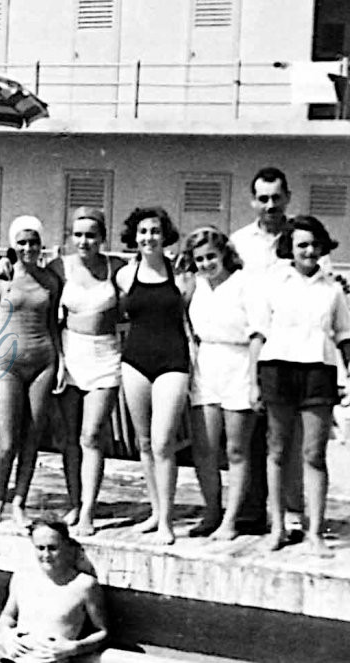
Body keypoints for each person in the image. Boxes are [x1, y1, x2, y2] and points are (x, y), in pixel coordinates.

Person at [250, 215, 350, 557]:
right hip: (277, 371)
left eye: (314, 244)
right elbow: (259, 334)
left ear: (322, 246)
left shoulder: (333, 288)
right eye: (302, 245)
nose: (309, 251)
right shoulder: (273, 283)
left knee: (314, 454)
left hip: (318, 373)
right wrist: (253, 382)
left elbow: (344, 335)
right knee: (277, 451)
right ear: (290, 249)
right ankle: (278, 527)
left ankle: (314, 531)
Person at [230, 166, 303, 534]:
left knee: (288, 436)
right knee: (249, 434)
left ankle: (289, 514)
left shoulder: (303, 239)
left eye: (276, 198)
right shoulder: (239, 242)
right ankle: (250, 512)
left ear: (287, 197)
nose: (270, 205)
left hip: (292, 349)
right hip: (248, 348)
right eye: (263, 198)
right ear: (252, 201)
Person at [0, 216, 62, 528]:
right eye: (22, 242)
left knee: (32, 439)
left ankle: (19, 502)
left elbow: (53, 325)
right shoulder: (0, 278)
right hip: (8, 364)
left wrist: (60, 363)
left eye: (33, 242)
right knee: (7, 440)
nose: (28, 248)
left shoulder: (50, 281)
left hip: (43, 361)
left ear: (41, 245)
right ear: (13, 244)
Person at [117, 207, 190, 545]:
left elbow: (193, 318)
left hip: (173, 361)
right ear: (135, 236)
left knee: (163, 442)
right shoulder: (125, 274)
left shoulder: (180, 273)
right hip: (135, 361)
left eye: (155, 231)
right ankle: (155, 511)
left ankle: (167, 521)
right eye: (143, 231)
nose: (149, 237)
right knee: (144, 443)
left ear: (165, 235)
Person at [181, 226, 259, 540]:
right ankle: (211, 510)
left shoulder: (244, 284)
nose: (206, 264)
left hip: (239, 365)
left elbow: (256, 335)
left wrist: (255, 380)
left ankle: (231, 519)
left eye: (211, 256)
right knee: (204, 448)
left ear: (225, 254)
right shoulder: (194, 286)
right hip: (205, 365)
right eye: (199, 258)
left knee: (237, 450)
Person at [56, 207, 125, 537]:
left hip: (105, 355)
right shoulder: (60, 266)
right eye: (78, 234)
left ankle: (87, 511)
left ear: (102, 238)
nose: (84, 241)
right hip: (71, 353)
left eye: (91, 235)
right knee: (71, 438)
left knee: (92, 435)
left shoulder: (118, 267)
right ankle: (75, 501)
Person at [0, 520, 109, 663]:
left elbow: (103, 632)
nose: (46, 555)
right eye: (40, 548)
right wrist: (8, 635)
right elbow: (7, 616)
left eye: (53, 548)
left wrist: (74, 647)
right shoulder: (22, 578)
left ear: (66, 546)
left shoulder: (84, 585)